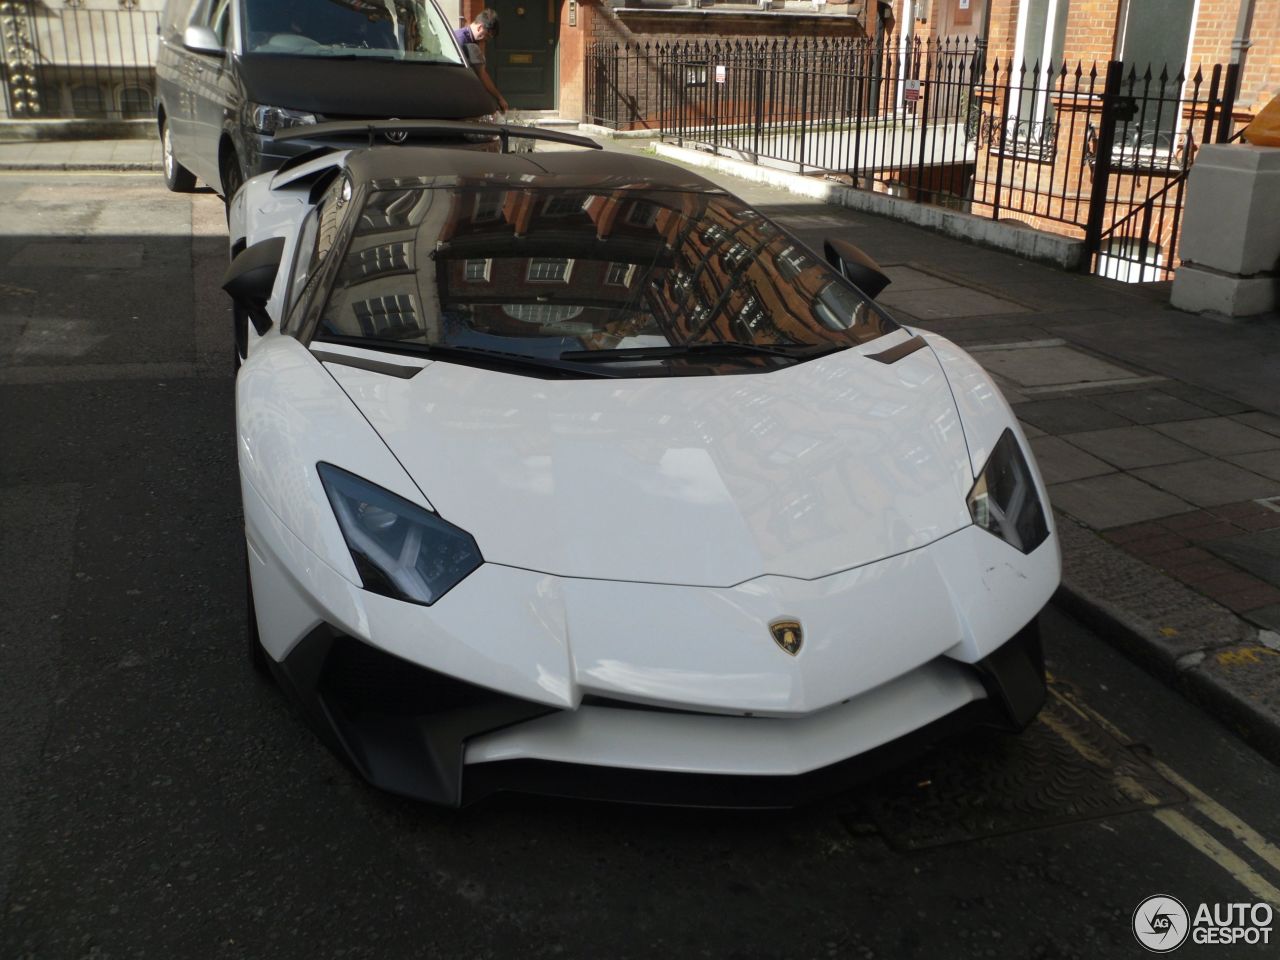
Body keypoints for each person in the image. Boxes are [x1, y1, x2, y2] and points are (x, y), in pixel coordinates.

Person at [454, 9, 509, 113]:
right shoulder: (461, 41)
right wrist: (499, 98)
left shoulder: (469, 39)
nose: (486, 39)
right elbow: (481, 74)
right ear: (480, 27)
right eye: (487, 35)